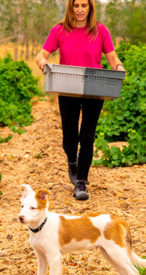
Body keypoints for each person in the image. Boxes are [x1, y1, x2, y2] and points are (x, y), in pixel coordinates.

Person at [35, 0, 124, 201]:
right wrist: (42, 61)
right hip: (68, 87)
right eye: (76, 6)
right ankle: (72, 161)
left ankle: (81, 181)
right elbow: (42, 54)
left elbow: (112, 58)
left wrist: (119, 68)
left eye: (84, 5)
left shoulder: (100, 31)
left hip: (94, 87)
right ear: (71, 7)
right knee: (69, 138)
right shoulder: (59, 30)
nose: (80, 10)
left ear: (90, 8)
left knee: (87, 136)